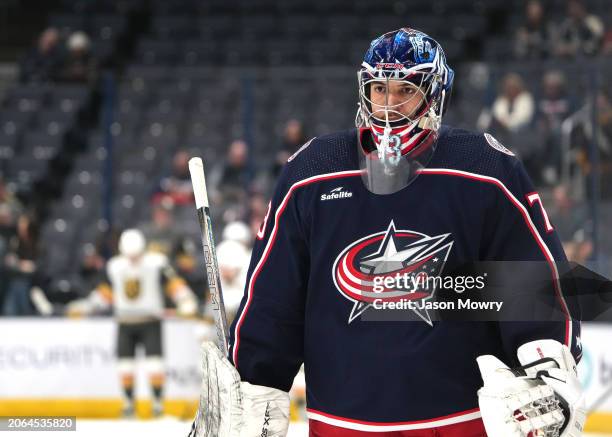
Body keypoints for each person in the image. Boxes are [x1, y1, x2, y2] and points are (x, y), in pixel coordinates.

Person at [190, 29, 584, 436]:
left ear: (434, 95)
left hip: (459, 422)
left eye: (405, 90)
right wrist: (253, 385)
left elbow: (532, 283)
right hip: (341, 423)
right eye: (379, 89)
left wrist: (547, 366)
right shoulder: (312, 172)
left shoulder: (483, 169)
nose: (389, 105)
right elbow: (275, 299)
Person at [67, 229, 197, 417]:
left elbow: (173, 283)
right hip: (125, 321)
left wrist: (186, 299)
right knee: (125, 366)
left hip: (150, 320)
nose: (133, 260)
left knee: (155, 365)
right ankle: (128, 403)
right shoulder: (115, 266)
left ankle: (158, 404)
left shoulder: (156, 263)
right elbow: (106, 293)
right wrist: (87, 306)